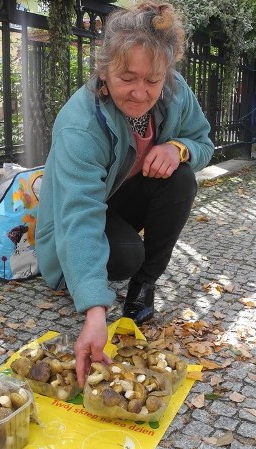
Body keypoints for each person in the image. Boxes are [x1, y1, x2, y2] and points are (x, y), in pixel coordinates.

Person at [34, 0, 215, 386]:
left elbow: (203, 143)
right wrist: (95, 312)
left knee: (181, 178)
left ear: (166, 73)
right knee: (124, 256)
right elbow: (79, 214)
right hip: (78, 214)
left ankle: (144, 287)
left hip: (123, 199)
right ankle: (83, 277)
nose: (140, 92)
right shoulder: (79, 125)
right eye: (127, 78)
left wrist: (178, 148)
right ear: (104, 70)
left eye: (152, 80)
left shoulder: (177, 92)